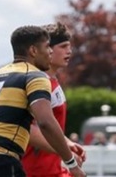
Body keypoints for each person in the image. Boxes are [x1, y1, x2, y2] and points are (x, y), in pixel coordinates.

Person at [0, 25, 86, 177]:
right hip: (3, 161)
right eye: (47, 47)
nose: (50, 52)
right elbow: (45, 122)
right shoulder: (34, 76)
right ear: (33, 51)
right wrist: (71, 162)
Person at [23, 22, 86, 177]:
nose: (69, 51)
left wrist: (68, 143)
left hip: (52, 170)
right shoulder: (38, 83)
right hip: (35, 171)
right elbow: (29, 128)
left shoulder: (52, 81)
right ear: (47, 50)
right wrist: (66, 152)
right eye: (63, 46)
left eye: (69, 46)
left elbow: (52, 125)